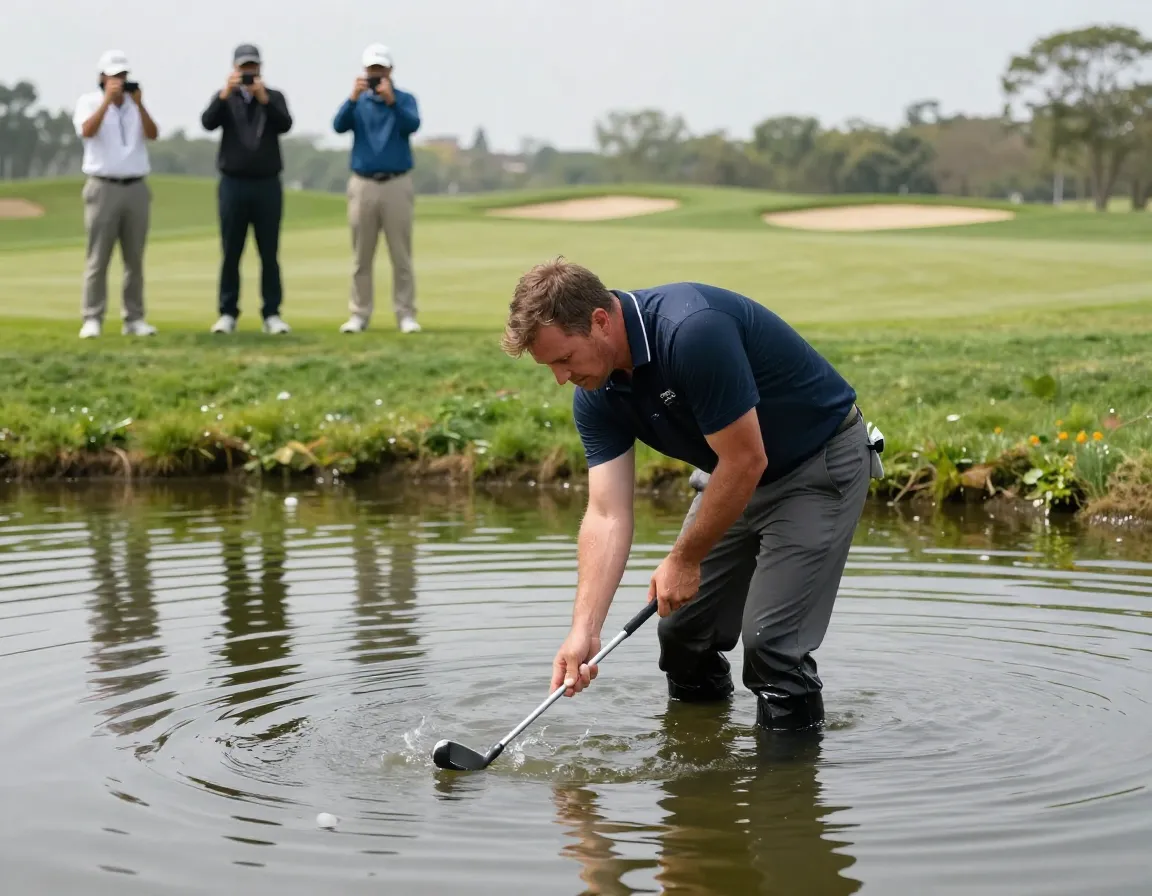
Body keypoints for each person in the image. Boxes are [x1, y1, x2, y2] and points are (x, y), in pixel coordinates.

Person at [500, 259, 883, 732]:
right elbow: (605, 514)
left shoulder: (690, 331)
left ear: (600, 320)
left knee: (771, 646)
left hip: (815, 465)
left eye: (564, 359)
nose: (561, 377)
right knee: (682, 634)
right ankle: (702, 763)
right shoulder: (596, 392)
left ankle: (786, 792)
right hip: (734, 472)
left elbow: (747, 460)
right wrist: (585, 630)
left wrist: (684, 559)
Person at [200, 43, 293, 335]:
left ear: (260, 68)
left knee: (269, 251)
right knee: (231, 251)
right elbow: (207, 122)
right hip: (233, 183)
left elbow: (285, 124)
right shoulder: (225, 99)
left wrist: (263, 99)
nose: (248, 73)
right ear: (235, 70)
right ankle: (228, 312)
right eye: (243, 69)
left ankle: (272, 313)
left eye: (252, 68)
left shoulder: (274, 97)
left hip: (267, 184)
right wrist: (225, 94)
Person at [332, 43, 422, 334]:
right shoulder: (357, 103)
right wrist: (352, 97)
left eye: (380, 70)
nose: (376, 75)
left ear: (390, 71)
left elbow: (413, 125)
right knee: (361, 256)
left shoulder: (404, 99)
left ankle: (405, 314)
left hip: (397, 182)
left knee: (401, 255)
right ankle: (359, 314)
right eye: (372, 70)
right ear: (364, 72)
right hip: (363, 184)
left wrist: (392, 101)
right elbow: (338, 125)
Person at [72, 49, 159, 339]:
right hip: (103, 186)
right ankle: (92, 317)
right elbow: (87, 130)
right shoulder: (88, 101)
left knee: (134, 259)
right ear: (102, 78)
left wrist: (140, 105)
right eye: (114, 76)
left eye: (123, 76)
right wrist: (107, 102)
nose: (120, 81)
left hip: (136, 187)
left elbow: (152, 134)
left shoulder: (136, 105)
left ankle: (134, 318)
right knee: (98, 257)